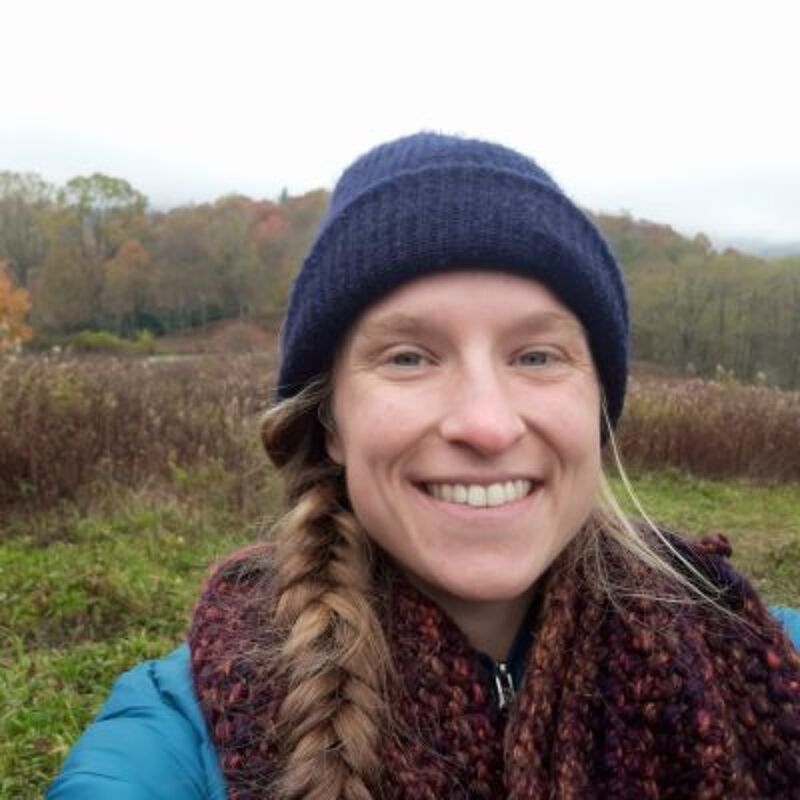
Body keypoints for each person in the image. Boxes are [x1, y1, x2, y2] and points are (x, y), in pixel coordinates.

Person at [49, 133, 800, 800]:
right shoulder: (179, 737)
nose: (487, 424)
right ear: (331, 422)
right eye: (409, 357)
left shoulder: (760, 656)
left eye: (537, 356)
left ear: (597, 407)